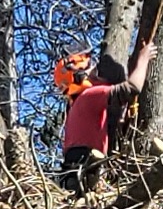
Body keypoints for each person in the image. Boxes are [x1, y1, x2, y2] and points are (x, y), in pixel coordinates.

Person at [56, 44, 155, 190]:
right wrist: (143, 59)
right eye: (93, 71)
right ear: (80, 77)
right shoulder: (89, 96)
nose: (98, 75)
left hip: (76, 171)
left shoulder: (77, 106)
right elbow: (132, 88)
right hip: (84, 170)